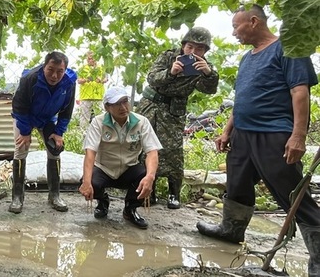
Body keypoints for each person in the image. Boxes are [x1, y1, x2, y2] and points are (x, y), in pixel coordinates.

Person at [196, 4, 320, 276]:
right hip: (243, 133)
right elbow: (241, 98)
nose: (233, 33)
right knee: (237, 183)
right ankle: (231, 230)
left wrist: (298, 136)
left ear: (253, 22)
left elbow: (300, 92)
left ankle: (319, 255)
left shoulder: (288, 48)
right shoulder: (247, 58)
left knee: (292, 192)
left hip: (272, 133)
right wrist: (228, 130)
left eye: (236, 26)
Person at [135, 27, 219, 209]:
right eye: (190, 47)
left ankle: (174, 194)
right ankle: (150, 191)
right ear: (183, 45)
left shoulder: (204, 66)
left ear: (205, 51)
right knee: (145, 148)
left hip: (173, 113)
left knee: (173, 152)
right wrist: (170, 72)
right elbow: (152, 78)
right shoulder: (168, 57)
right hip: (150, 108)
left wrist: (208, 74)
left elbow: (209, 89)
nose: (193, 52)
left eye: (199, 49)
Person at [79, 87, 161, 229]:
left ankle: (130, 209)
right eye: (117, 104)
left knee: (146, 176)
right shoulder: (98, 122)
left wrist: (150, 176)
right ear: (107, 107)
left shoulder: (142, 122)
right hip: (104, 168)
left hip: (129, 168)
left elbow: (152, 152)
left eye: (125, 101)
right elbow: (90, 153)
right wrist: (86, 182)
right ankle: (103, 201)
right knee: (90, 181)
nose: (123, 107)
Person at [9, 51, 77, 214]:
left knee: (55, 150)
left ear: (65, 70)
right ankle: (17, 197)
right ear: (44, 66)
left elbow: (67, 110)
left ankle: (54, 195)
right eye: (50, 70)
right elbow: (19, 106)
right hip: (25, 116)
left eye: (59, 71)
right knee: (21, 150)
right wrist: (25, 132)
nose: (54, 76)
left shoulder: (69, 82)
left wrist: (59, 132)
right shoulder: (29, 79)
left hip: (47, 119)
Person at [77, 51, 107, 129]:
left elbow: (106, 79)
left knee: (101, 116)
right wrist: (87, 79)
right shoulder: (82, 68)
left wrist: (100, 80)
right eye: (89, 58)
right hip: (86, 96)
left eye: (92, 58)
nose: (91, 60)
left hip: (98, 96)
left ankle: (101, 132)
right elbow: (79, 81)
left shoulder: (101, 68)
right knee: (84, 117)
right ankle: (83, 133)